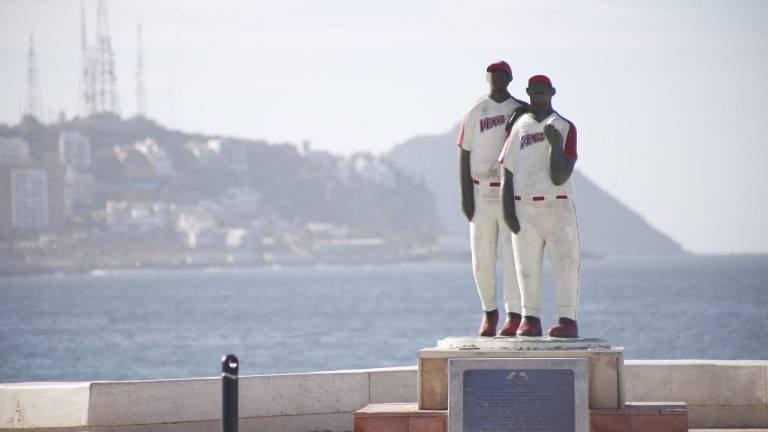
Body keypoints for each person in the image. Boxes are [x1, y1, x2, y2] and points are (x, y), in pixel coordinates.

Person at [498, 74, 580, 338]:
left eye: (543, 92)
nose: (538, 96)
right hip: (524, 207)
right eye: (533, 92)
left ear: (553, 92)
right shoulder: (520, 125)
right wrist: (506, 208)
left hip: (557, 207)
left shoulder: (564, 126)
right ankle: (529, 317)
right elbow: (507, 170)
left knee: (565, 262)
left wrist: (556, 148)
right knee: (526, 267)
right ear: (528, 92)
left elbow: (559, 176)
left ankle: (567, 319)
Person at [457, 61, 529, 337]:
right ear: (487, 78)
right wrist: (466, 196)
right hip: (482, 189)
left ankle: (513, 313)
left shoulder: (520, 109)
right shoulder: (476, 111)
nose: (497, 80)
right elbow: (463, 153)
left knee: (513, 256)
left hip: (510, 190)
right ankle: (489, 311)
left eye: (502, 76)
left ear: (510, 78)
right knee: (482, 257)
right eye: (492, 76)